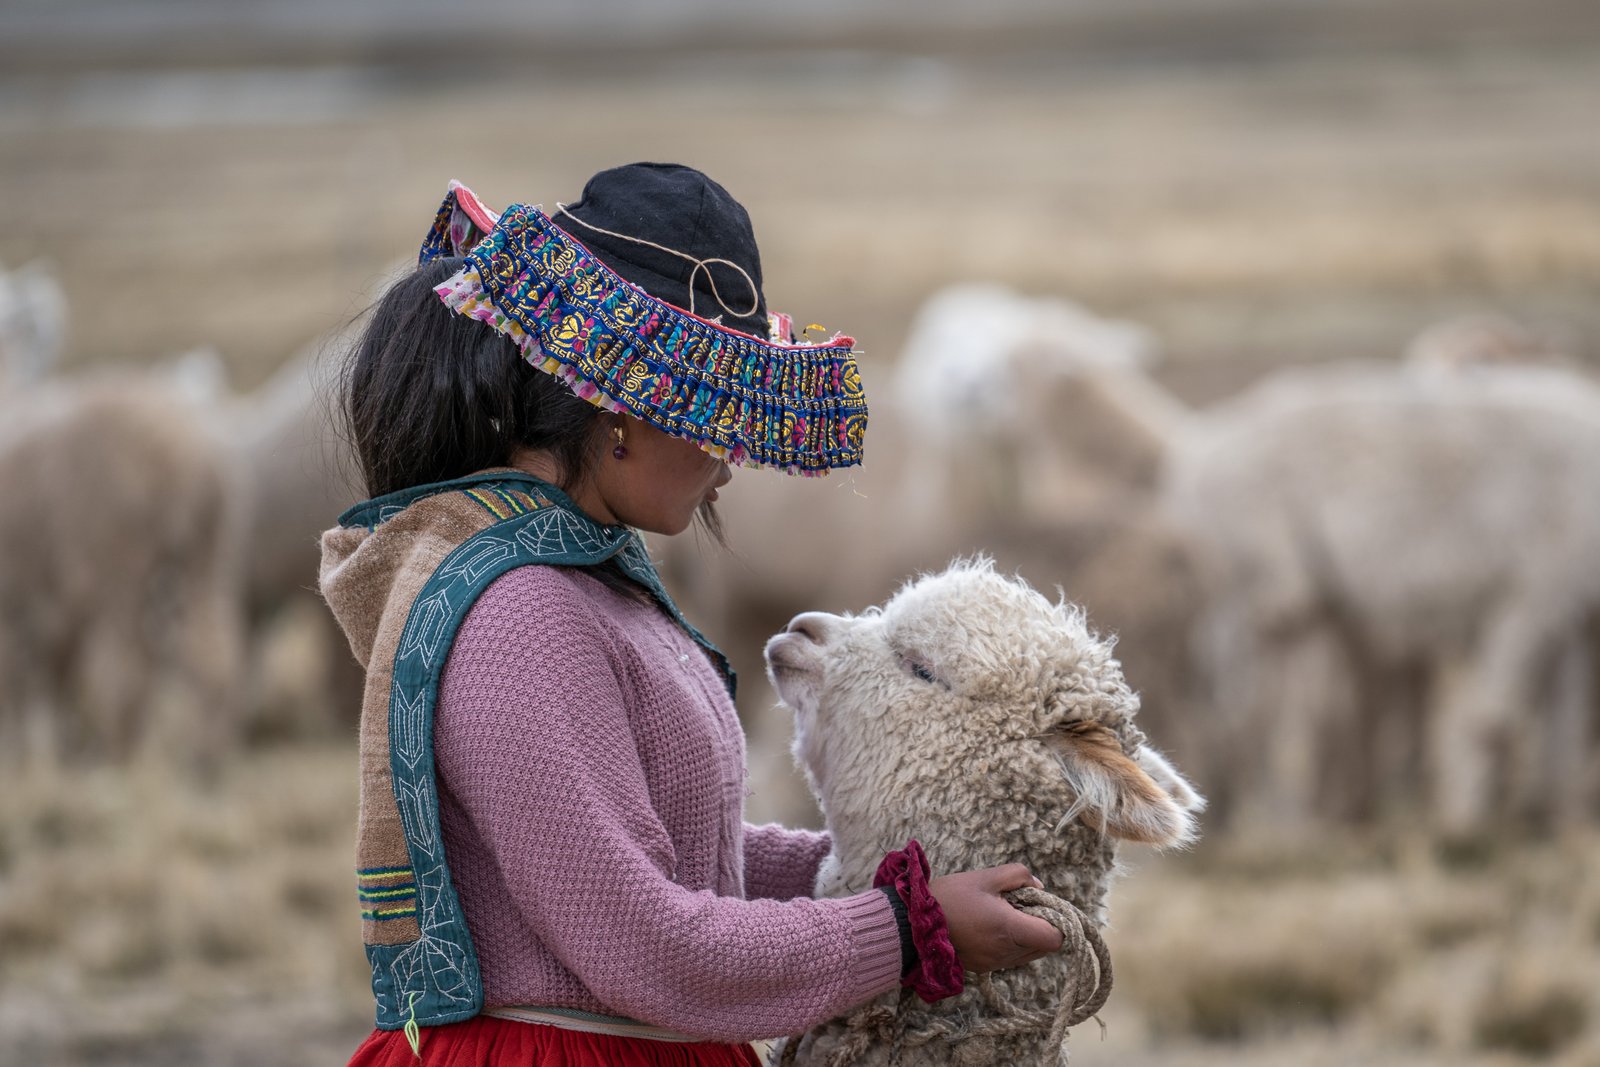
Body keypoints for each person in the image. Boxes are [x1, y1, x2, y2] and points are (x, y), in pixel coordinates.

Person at [320, 163, 1063, 1067]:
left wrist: (888, 867)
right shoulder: (521, 613)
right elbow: (649, 944)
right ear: (621, 405)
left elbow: (678, 856)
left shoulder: (575, 576)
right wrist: (904, 930)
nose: (733, 457)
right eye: (715, 413)